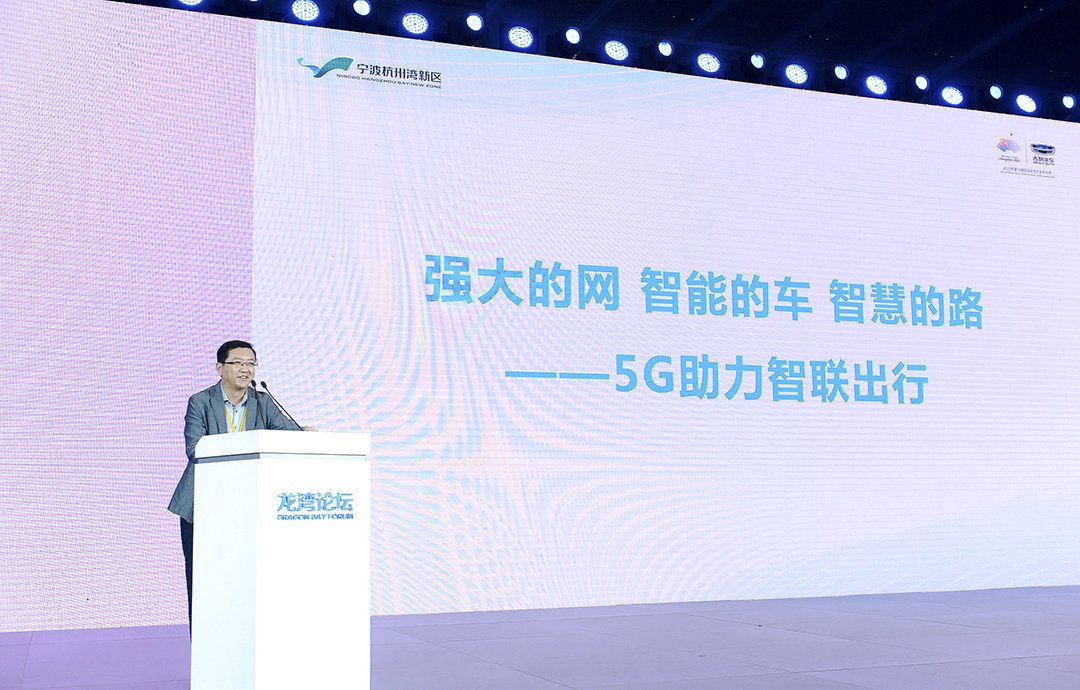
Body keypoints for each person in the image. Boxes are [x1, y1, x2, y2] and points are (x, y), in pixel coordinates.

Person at [167, 340, 307, 626]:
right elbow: (194, 449)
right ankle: (203, 646)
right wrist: (241, 445)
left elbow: (288, 433)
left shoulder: (262, 401)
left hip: (246, 506)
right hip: (202, 505)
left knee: (243, 581)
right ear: (220, 368)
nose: (246, 369)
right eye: (238, 363)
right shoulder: (200, 402)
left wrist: (303, 433)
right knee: (202, 581)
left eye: (251, 363)